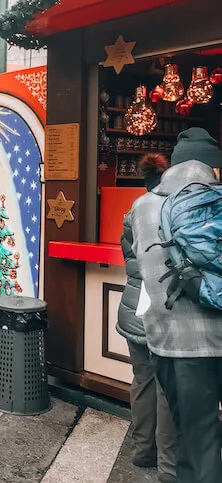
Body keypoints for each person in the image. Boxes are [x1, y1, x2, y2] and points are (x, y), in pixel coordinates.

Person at [129, 128, 222, 483]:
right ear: (214, 167)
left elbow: (139, 259)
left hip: (177, 346)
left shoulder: (145, 207)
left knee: (196, 444)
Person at [117, 154, 176, 482]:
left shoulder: (134, 211)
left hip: (134, 306)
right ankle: (169, 463)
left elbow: (127, 253)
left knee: (142, 381)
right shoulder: (176, 209)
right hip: (164, 309)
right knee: (168, 387)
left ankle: (142, 451)